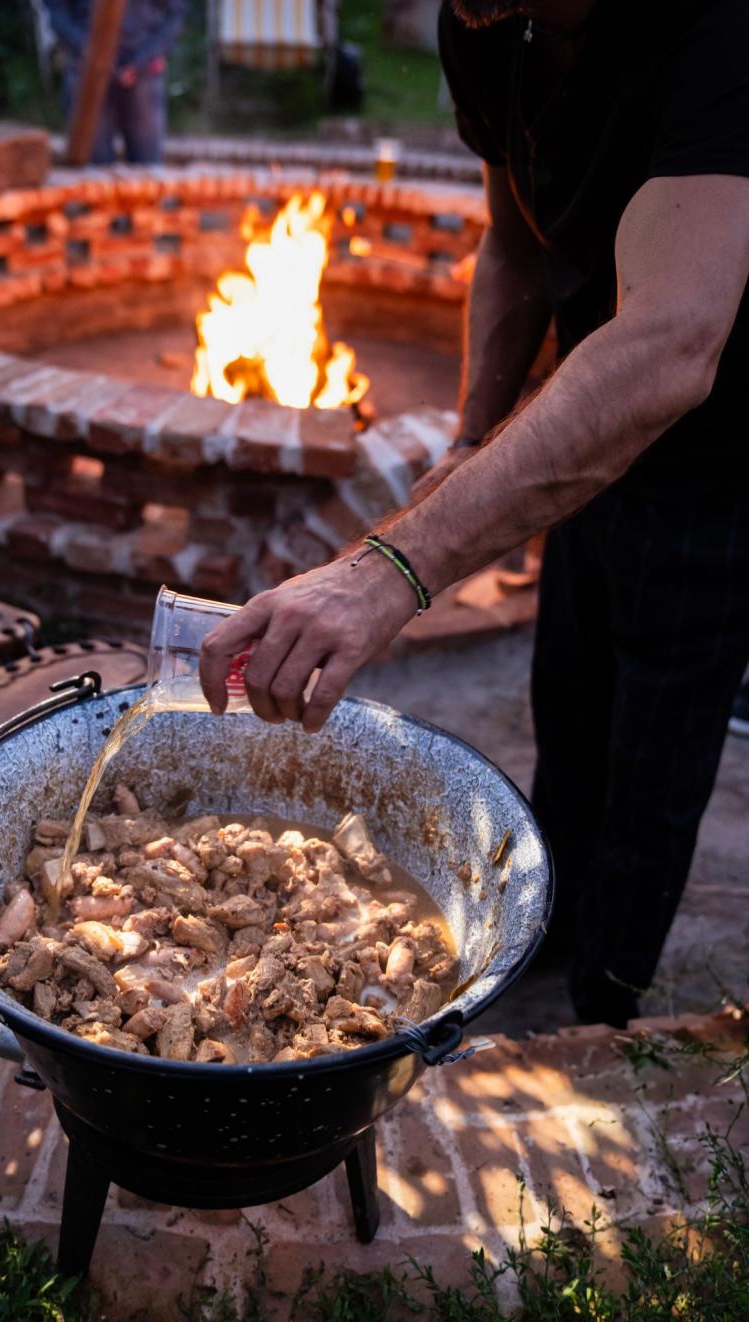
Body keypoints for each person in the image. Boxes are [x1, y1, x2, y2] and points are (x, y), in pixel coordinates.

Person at [198, 0, 749, 1028]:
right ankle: (543, 944)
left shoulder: (718, 34)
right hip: (575, 418)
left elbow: (671, 342)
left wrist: (386, 570)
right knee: (570, 710)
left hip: (717, 463)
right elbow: (513, 241)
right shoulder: (488, 19)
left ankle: (602, 1012)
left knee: (657, 755)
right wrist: (469, 442)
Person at [45, 0, 187, 165]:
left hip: (143, 73)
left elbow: (177, 12)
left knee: (148, 172)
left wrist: (144, 57)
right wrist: (90, 52)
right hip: (85, 73)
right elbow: (56, 13)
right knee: (93, 175)